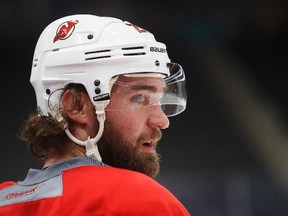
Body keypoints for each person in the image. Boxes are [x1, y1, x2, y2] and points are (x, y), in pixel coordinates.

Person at [0, 14, 189, 215]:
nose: (161, 120)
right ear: (77, 106)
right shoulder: (140, 200)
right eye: (138, 98)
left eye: (159, 100)